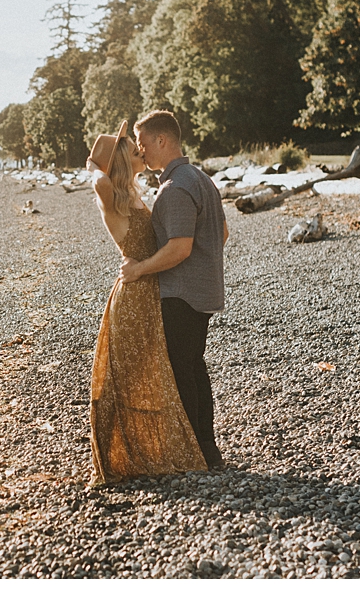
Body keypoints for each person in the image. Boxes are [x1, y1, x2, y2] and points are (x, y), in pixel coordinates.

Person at [84, 121, 205, 486]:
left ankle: (154, 450)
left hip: (153, 290)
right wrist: (99, 158)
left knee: (157, 373)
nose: (138, 148)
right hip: (135, 293)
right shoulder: (110, 195)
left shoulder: (135, 193)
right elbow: (97, 177)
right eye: (130, 146)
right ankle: (123, 454)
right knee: (130, 376)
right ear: (120, 158)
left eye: (136, 143)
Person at [120, 109, 229, 470]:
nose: (142, 150)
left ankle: (195, 453)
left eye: (144, 143)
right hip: (203, 291)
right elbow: (222, 234)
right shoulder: (200, 179)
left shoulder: (177, 186)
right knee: (192, 367)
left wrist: (138, 270)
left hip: (181, 294)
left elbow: (180, 247)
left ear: (162, 140)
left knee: (183, 369)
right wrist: (206, 262)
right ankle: (206, 450)